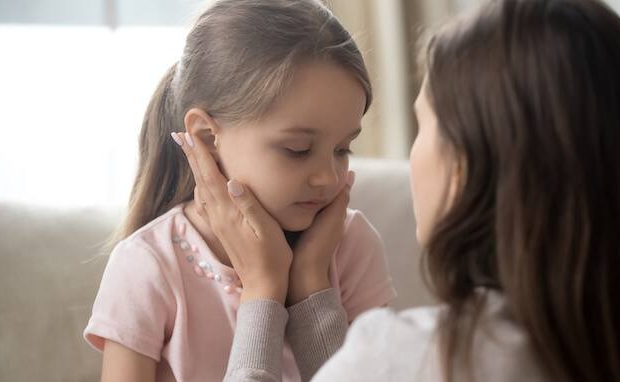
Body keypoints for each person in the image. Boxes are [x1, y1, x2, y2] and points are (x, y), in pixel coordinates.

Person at [178, 0, 620, 381]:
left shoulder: (410, 358)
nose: (330, 176)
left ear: (464, 166)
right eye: (300, 149)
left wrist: (264, 291)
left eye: (423, 126)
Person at [83, 1, 397, 380]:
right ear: (206, 136)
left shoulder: (350, 245)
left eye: (342, 149)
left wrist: (312, 285)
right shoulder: (148, 266)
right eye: (297, 150)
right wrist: (264, 291)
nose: (328, 178)